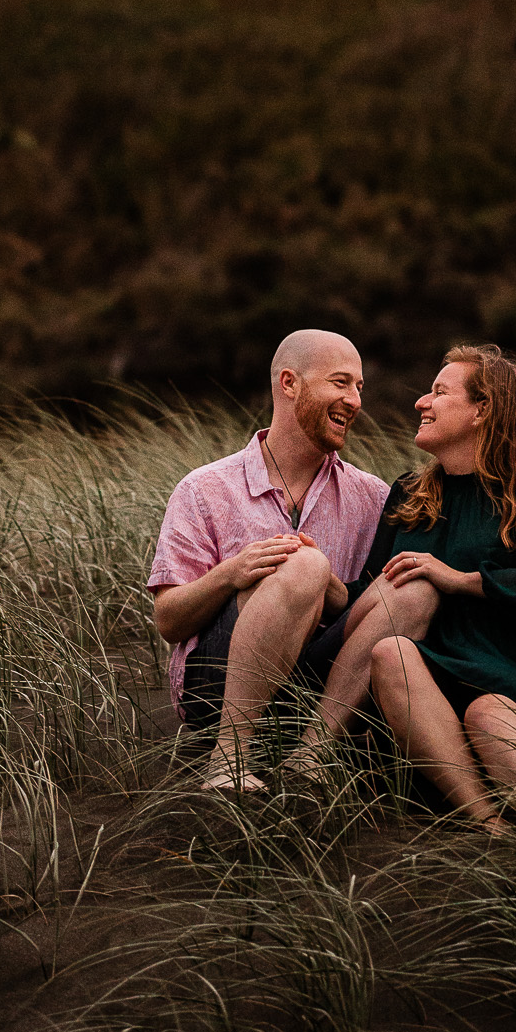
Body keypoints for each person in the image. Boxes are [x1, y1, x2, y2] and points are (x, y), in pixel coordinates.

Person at [291, 344, 516, 847]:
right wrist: (322, 582)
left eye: (439, 391)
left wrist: (463, 580)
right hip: (432, 690)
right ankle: (488, 824)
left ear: (483, 410)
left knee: (489, 712)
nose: (421, 401)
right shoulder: (410, 494)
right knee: (390, 652)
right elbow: (375, 592)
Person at [148, 328, 388, 791]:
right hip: (215, 691)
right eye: (341, 383)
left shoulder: (373, 498)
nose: (355, 401)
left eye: (360, 388)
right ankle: (229, 760)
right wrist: (231, 575)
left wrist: (334, 593)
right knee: (305, 564)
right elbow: (168, 622)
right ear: (289, 383)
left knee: (395, 586)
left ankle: (312, 754)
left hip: (319, 694)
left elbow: (374, 614)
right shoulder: (205, 488)